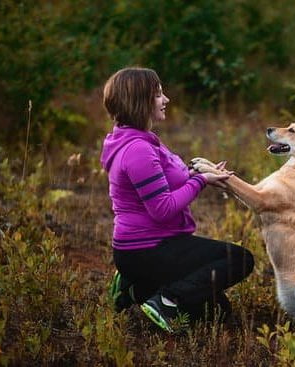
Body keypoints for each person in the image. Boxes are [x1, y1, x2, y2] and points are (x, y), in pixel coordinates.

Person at [100, 67, 254, 332]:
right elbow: (163, 209)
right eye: (158, 94)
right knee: (239, 259)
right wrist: (201, 181)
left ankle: (134, 288)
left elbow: (166, 181)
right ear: (139, 101)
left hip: (151, 247)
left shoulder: (141, 140)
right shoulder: (138, 149)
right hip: (146, 249)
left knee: (215, 312)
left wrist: (199, 173)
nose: (166, 99)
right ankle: (167, 302)